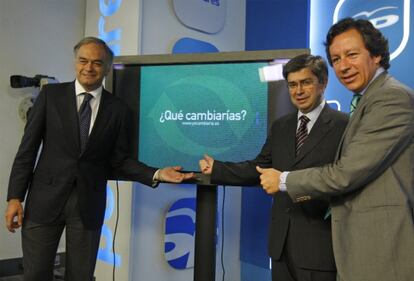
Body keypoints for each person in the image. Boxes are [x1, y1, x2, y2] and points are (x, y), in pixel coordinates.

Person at [5, 37, 193, 281]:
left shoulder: (118, 110)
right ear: (75, 62)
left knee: (81, 276)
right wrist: (15, 197)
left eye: (97, 63)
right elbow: (27, 150)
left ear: (106, 68)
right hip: (44, 200)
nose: (88, 67)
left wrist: (156, 173)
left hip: (88, 205)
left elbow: (120, 161)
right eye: (83, 61)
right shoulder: (50, 96)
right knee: (35, 274)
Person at [257, 18, 414, 281]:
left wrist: (284, 180)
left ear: (376, 55)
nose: (343, 66)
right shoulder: (367, 100)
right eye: (336, 59)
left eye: (351, 55)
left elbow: (346, 173)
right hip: (354, 246)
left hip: (381, 249)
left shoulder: (391, 98)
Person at [199, 54, 348, 281]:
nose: (298, 91)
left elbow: (343, 178)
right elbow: (259, 168)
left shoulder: (344, 125)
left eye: (306, 82)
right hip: (280, 249)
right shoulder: (281, 126)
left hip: (320, 249)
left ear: (323, 83)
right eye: (292, 85)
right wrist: (217, 169)